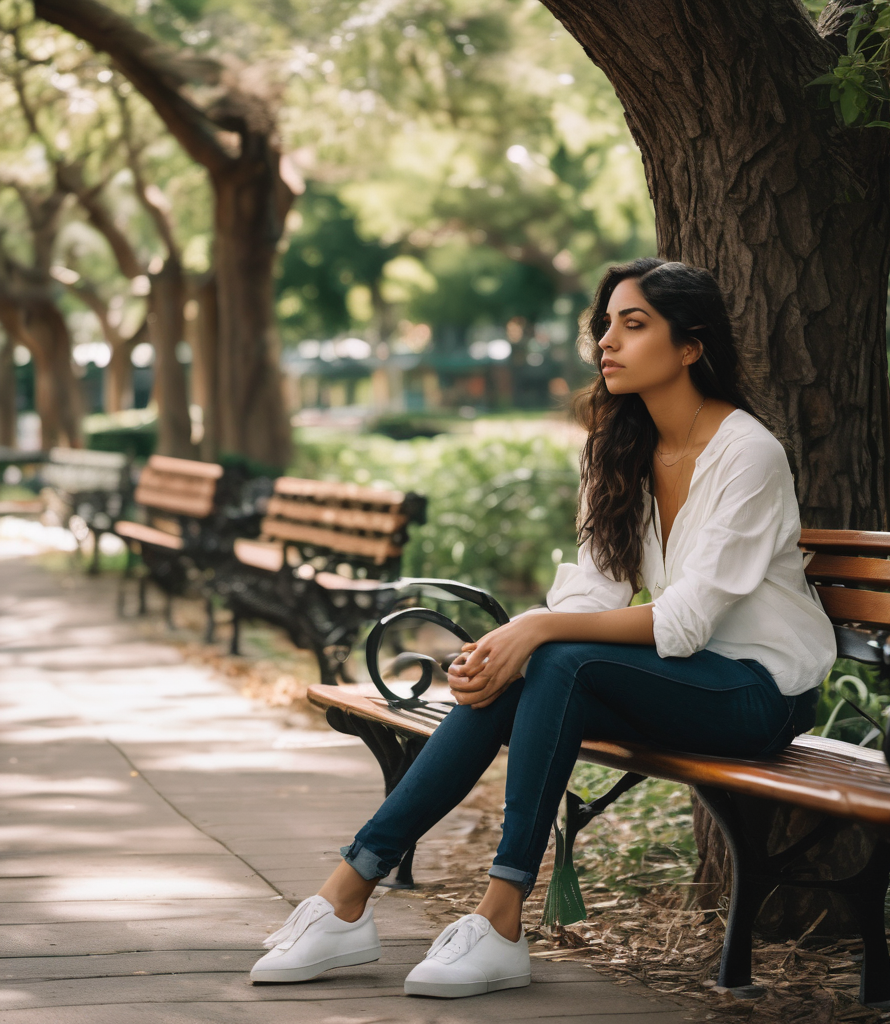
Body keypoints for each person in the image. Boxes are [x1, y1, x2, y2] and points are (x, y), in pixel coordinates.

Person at [249, 257, 837, 997]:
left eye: (634, 325)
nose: (607, 344)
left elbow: (686, 622)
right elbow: (595, 587)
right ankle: (348, 893)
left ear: (691, 347)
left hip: (757, 689)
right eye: (604, 328)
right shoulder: (619, 448)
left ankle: (495, 920)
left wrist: (533, 629)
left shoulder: (748, 454)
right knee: (532, 665)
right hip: (678, 681)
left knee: (555, 659)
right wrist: (506, 647)